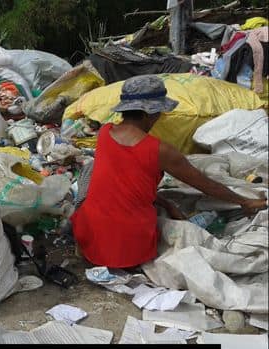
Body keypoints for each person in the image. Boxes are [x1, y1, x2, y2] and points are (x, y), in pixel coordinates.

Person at [70, 75, 267, 269]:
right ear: (150, 113)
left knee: (90, 169)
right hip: (128, 249)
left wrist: (166, 203)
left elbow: (125, 181)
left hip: (89, 237)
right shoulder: (159, 150)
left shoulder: (105, 132)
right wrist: (245, 201)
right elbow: (206, 185)